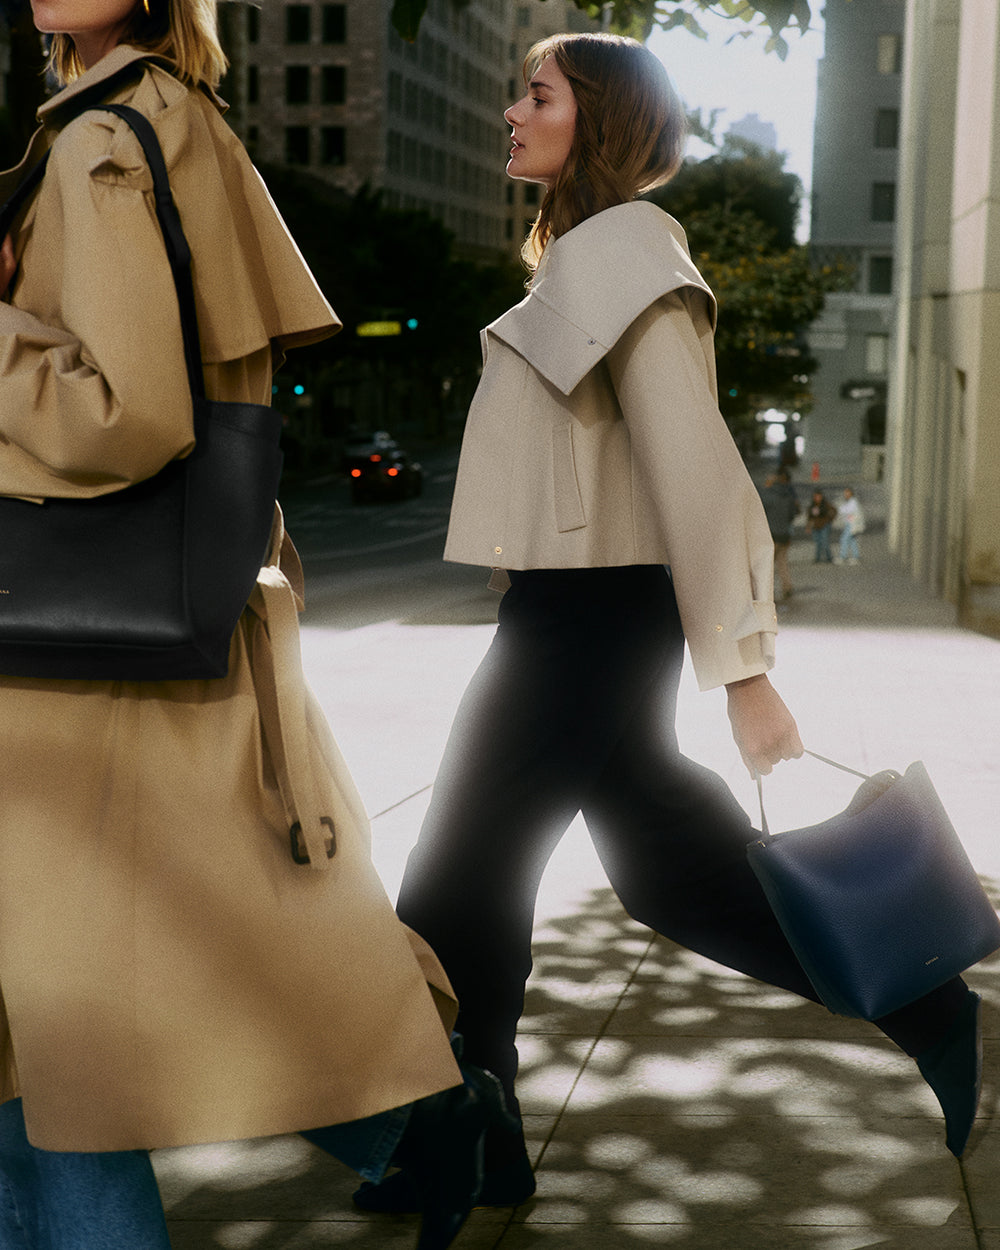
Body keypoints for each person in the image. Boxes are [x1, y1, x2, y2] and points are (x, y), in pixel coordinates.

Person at [355, 31, 983, 1215]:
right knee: (667, 872)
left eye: (538, 94)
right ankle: (923, 1004)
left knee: (454, 881)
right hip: (578, 609)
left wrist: (745, 669)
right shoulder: (587, 254)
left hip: (590, 620)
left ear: (598, 119)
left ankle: (455, 1130)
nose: (511, 112)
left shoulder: (625, 257)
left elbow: (697, 469)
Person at [0, 3, 507, 1247]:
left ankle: (421, 1119)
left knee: (48, 1048)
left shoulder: (101, 143)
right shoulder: (172, 116)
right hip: (140, 627)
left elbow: (123, 414)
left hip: (70, 665)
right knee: (141, 993)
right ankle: (420, 1121)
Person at [759, 468, 800, 598]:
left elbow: (759, 512)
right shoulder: (788, 495)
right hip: (785, 534)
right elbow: (792, 514)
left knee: (767, 564)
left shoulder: (767, 495)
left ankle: (766, 590)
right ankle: (787, 586)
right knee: (782, 562)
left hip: (771, 534)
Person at [806, 488, 837, 563]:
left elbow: (834, 511)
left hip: (824, 525)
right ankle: (817, 558)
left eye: (818, 496)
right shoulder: (812, 506)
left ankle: (829, 558)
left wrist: (830, 519)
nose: (817, 498)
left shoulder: (826, 504)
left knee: (825, 541)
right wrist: (808, 527)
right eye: (816, 496)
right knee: (818, 542)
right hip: (816, 526)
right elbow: (810, 518)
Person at [836, 485, 865, 563]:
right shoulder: (849, 502)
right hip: (849, 524)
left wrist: (841, 509)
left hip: (851, 524)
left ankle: (843, 556)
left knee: (844, 539)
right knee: (852, 540)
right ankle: (856, 556)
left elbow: (846, 511)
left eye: (847, 493)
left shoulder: (853, 502)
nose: (845, 495)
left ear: (851, 494)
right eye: (845, 493)